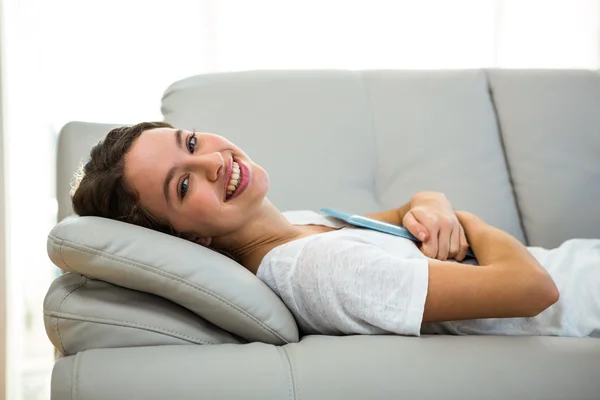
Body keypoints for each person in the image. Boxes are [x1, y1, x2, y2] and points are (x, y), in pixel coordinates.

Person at [71, 121, 600, 338]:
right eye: (182, 188)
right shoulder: (316, 270)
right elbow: (535, 290)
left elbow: (403, 217)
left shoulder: (294, 227)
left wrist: (432, 203)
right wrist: (471, 221)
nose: (211, 162)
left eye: (189, 143)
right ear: (190, 239)